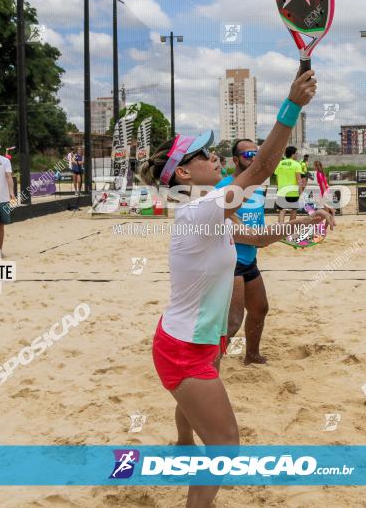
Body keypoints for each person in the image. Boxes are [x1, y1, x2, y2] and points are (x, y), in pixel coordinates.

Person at [139, 70, 329, 508]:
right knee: (226, 449)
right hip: (183, 347)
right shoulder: (202, 207)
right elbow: (262, 166)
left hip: (198, 336)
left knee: (196, 415)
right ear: (185, 171)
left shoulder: (209, 211)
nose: (215, 156)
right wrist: (292, 104)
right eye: (204, 153)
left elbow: (256, 238)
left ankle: (183, 445)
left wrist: (301, 223)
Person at [217, 139, 333, 365]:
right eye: (248, 155)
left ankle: (251, 355)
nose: (254, 158)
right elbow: (228, 227)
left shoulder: (257, 188)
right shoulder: (224, 189)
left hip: (249, 258)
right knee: (232, 322)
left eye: (256, 154)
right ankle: (207, 367)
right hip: (230, 262)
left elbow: (257, 225)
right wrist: (260, 237)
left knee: (260, 309)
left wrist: (264, 238)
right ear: (234, 160)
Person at [274, 146, 303, 224]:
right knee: (293, 211)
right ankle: (290, 230)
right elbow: (299, 180)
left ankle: (280, 230)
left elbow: (277, 179)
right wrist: (300, 192)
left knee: (282, 211)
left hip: (281, 191)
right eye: (296, 153)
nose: (297, 155)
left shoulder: (279, 164)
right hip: (293, 192)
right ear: (292, 154)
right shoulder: (296, 164)